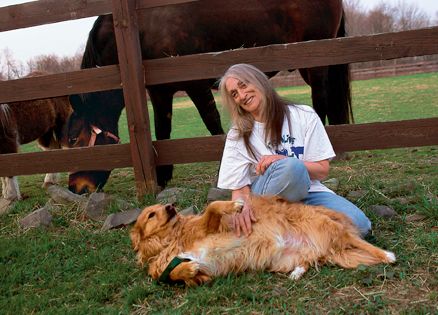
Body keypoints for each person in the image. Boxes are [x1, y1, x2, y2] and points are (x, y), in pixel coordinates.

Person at [217, 63, 371, 238]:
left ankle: (290, 229)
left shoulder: (304, 115)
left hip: (309, 193)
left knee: (360, 226)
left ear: (259, 81)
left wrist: (281, 160)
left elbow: (322, 171)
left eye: (243, 85)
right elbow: (239, 188)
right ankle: (289, 229)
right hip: (265, 202)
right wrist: (241, 209)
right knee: (291, 167)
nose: (242, 96)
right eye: (234, 94)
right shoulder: (237, 134)